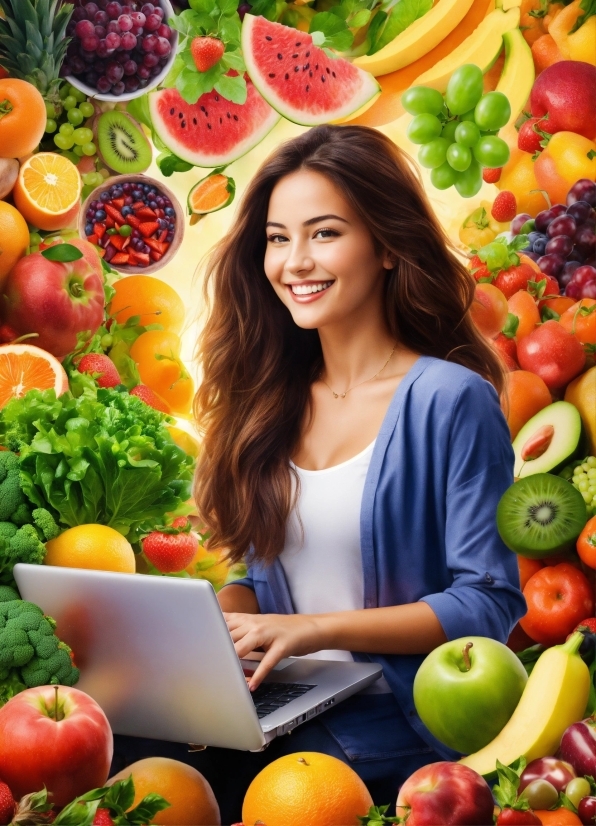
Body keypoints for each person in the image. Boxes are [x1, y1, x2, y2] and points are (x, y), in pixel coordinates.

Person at [111, 124, 527, 822]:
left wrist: (313, 629)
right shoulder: (268, 400)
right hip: (283, 697)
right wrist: (221, 624)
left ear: (388, 245)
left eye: (324, 233)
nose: (294, 262)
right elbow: (260, 577)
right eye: (277, 238)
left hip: (387, 715)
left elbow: (488, 601)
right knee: (125, 752)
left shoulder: (450, 400)